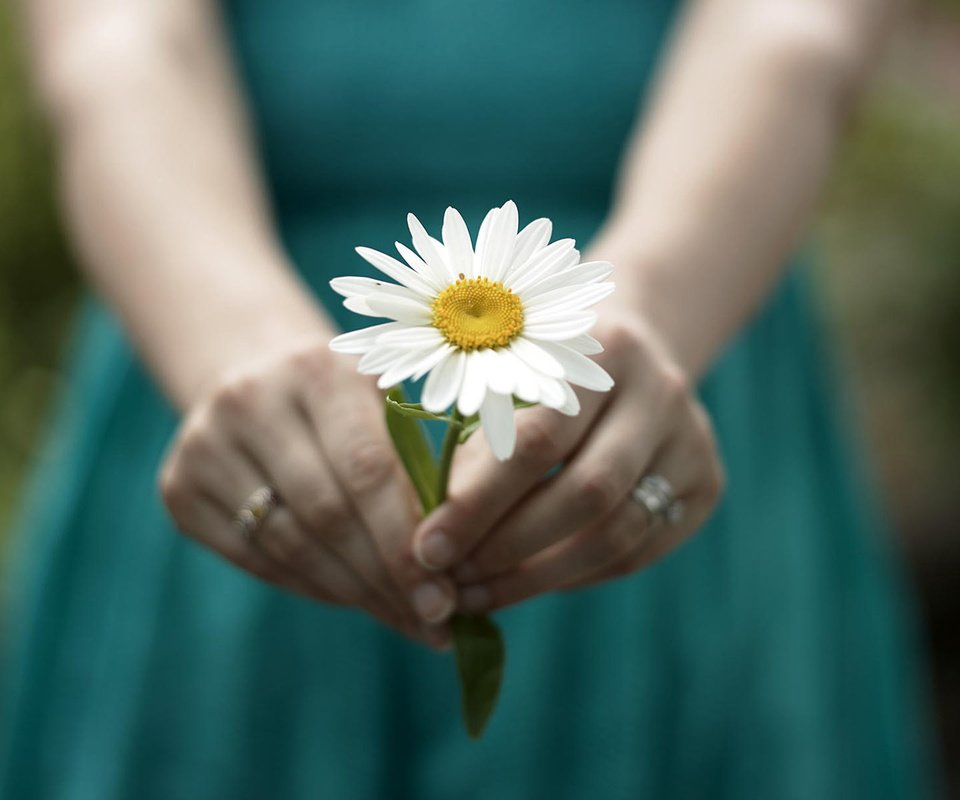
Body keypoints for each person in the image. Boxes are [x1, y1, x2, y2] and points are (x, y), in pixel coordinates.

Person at [0, 0, 935, 797]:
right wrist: (233, 345)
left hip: (670, 333)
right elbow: (118, 49)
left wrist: (636, 312)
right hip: (217, 345)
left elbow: (792, 33)